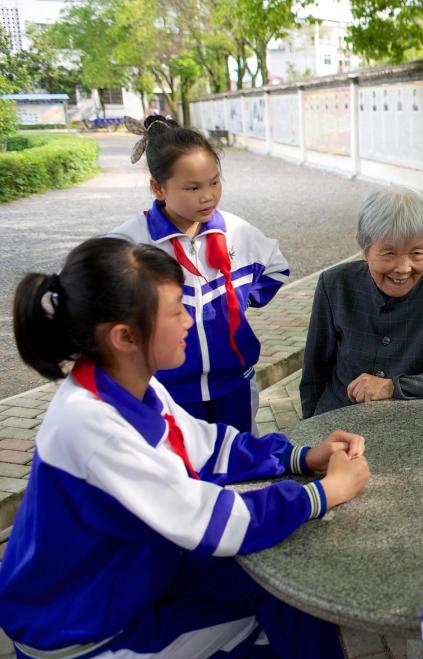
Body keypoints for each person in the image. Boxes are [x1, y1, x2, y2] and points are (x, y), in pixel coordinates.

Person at [0, 237, 371, 659]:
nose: (190, 320)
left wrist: (302, 457)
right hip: (84, 634)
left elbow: (208, 447)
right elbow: (210, 519)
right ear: (124, 337)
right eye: (177, 309)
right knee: (285, 602)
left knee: (287, 585)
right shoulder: (92, 426)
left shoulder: (127, 384)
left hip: (127, 582)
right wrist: (324, 493)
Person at [110, 114, 290, 433]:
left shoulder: (237, 232)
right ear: (158, 188)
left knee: (238, 464)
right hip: (166, 392)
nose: (207, 196)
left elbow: (276, 267)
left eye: (214, 182)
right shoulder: (130, 244)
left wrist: (234, 303)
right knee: (179, 473)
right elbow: (94, 298)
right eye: (192, 187)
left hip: (234, 385)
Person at [300, 187, 423, 416]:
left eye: (417, 253)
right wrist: (310, 427)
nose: (403, 268)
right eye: (389, 253)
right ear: (364, 249)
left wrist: (394, 386)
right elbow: (314, 370)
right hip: (339, 416)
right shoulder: (334, 285)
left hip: (411, 424)